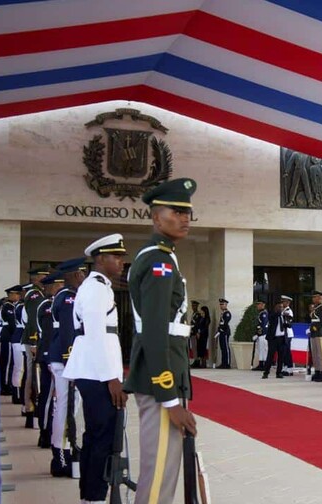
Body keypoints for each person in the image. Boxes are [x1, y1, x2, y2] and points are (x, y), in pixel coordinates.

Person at [124, 178, 198, 504]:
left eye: (188, 212)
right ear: (156, 217)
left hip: (165, 376)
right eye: (177, 211)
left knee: (164, 471)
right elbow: (154, 331)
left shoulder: (164, 256)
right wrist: (169, 399)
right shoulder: (159, 260)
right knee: (158, 477)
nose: (185, 218)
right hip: (160, 383)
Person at [63, 234, 129, 503]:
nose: (122, 262)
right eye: (117, 257)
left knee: (99, 435)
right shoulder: (95, 288)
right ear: (100, 259)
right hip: (97, 373)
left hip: (96, 371)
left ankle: (92, 496)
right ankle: (95, 497)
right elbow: (95, 334)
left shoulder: (100, 286)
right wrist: (111, 377)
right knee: (101, 436)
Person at [47, 257, 86, 478]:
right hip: (65, 361)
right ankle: (60, 455)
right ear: (71, 276)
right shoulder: (68, 299)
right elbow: (67, 334)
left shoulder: (70, 297)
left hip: (68, 361)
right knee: (65, 406)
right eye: (80, 274)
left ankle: (66, 448)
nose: (82, 277)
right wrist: (71, 362)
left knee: (70, 406)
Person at [36, 272, 64, 449]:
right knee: (47, 397)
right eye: (59, 285)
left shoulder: (59, 302)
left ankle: (52, 431)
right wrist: (47, 355)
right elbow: (47, 334)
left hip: (56, 355)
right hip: (49, 355)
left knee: (57, 399)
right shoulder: (47, 306)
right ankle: (45, 433)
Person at [21, 265, 50, 429]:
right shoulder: (34, 295)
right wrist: (33, 341)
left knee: (33, 375)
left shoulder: (39, 293)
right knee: (33, 376)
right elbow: (33, 320)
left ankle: (30, 408)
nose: (46, 279)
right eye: (43, 276)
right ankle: (30, 409)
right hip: (33, 340)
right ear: (36, 278)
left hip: (36, 340)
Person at [0, 285, 21, 397]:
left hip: (7, 337)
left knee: (9, 362)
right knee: (6, 363)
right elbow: (12, 323)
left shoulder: (10, 306)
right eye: (16, 294)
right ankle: (5, 386)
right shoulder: (8, 306)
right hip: (8, 337)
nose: (18, 296)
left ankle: (6, 384)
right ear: (11, 295)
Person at [264, 295, 293, 379]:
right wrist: (279, 313)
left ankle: (279, 372)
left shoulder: (284, 315)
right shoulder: (272, 315)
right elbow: (272, 318)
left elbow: (289, 325)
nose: (281, 308)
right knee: (270, 356)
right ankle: (266, 372)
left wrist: (287, 320)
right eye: (279, 307)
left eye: (282, 307)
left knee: (281, 356)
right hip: (273, 339)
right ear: (276, 307)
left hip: (282, 338)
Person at [308, 290, 322, 382]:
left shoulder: (321, 309)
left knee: (321, 354)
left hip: (319, 333)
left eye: (315, 297)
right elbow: (313, 320)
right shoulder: (315, 308)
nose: (314, 299)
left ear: (319, 298)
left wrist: (313, 329)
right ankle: (317, 371)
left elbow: (321, 323)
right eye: (313, 297)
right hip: (314, 333)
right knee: (315, 354)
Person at [252, 299, 269, 371]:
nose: (257, 306)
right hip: (261, 334)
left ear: (263, 305)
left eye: (259, 304)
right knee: (260, 349)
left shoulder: (264, 313)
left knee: (263, 350)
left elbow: (263, 325)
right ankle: (261, 364)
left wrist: (257, 334)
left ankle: (264, 365)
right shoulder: (261, 313)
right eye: (257, 304)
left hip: (263, 334)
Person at [215, 298, 232, 369]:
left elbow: (225, 323)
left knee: (226, 348)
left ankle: (227, 363)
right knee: (222, 348)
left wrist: (220, 329)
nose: (221, 306)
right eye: (220, 304)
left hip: (225, 332)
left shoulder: (227, 313)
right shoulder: (223, 313)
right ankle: (223, 362)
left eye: (222, 304)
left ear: (226, 305)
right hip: (221, 332)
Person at [190, 301, 204, 368]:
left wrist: (197, 332)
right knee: (194, 348)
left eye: (194, 306)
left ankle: (197, 361)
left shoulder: (198, 314)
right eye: (192, 306)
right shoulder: (194, 314)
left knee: (196, 347)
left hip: (195, 333)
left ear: (197, 306)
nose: (193, 307)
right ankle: (195, 360)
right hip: (192, 332)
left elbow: (198, 325)